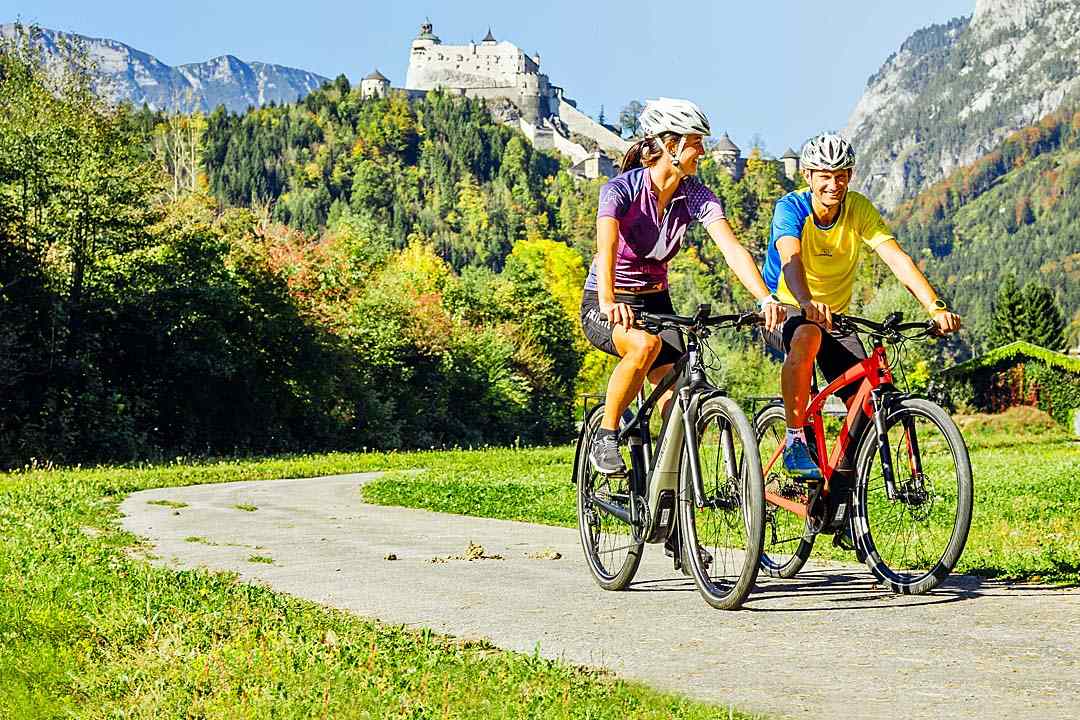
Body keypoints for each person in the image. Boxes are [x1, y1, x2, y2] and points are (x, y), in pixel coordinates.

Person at [581, 97, 785, 478]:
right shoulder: (621, 190)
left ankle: (672, 504)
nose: (702, 151)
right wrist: (609, 301)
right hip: (607, 297)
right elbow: (605, 247)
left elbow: (732, 249)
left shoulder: (694, 195)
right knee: (643, 345)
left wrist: (764, 297)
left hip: (656, 300)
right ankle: (605, 436)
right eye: (696, 141)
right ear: (670, 145)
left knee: (678, 400)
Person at [761, 132, 961, 492]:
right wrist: (805, 301)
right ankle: (794, 440)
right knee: (806, 335)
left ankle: (839, 496)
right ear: (807, 175)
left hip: (833, 318)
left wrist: (935, 306)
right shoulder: (791, 208)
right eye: (824, 175)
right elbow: (790, 257)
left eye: (840, 175)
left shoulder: (858, 209)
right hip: (785, 310)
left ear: (850, 176)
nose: (833, 184)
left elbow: (896, 258)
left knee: (868, 402)